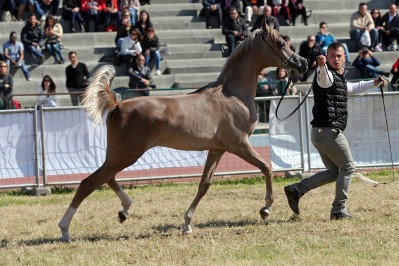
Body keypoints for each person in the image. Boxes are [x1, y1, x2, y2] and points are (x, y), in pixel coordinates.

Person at [284, 42, 387, 220]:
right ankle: (338, 210)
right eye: (332, 56)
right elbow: (323, 79)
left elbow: (353, 89)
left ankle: (296, 189)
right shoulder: (326, 74)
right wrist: (321, 66)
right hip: (328, 132)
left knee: (334, 172)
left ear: (344, 57)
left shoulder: (339, 79)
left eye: (339, 56)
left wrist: (374, 82)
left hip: (319, 133)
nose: (336, 59)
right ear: (327, 56)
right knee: (348, 168)